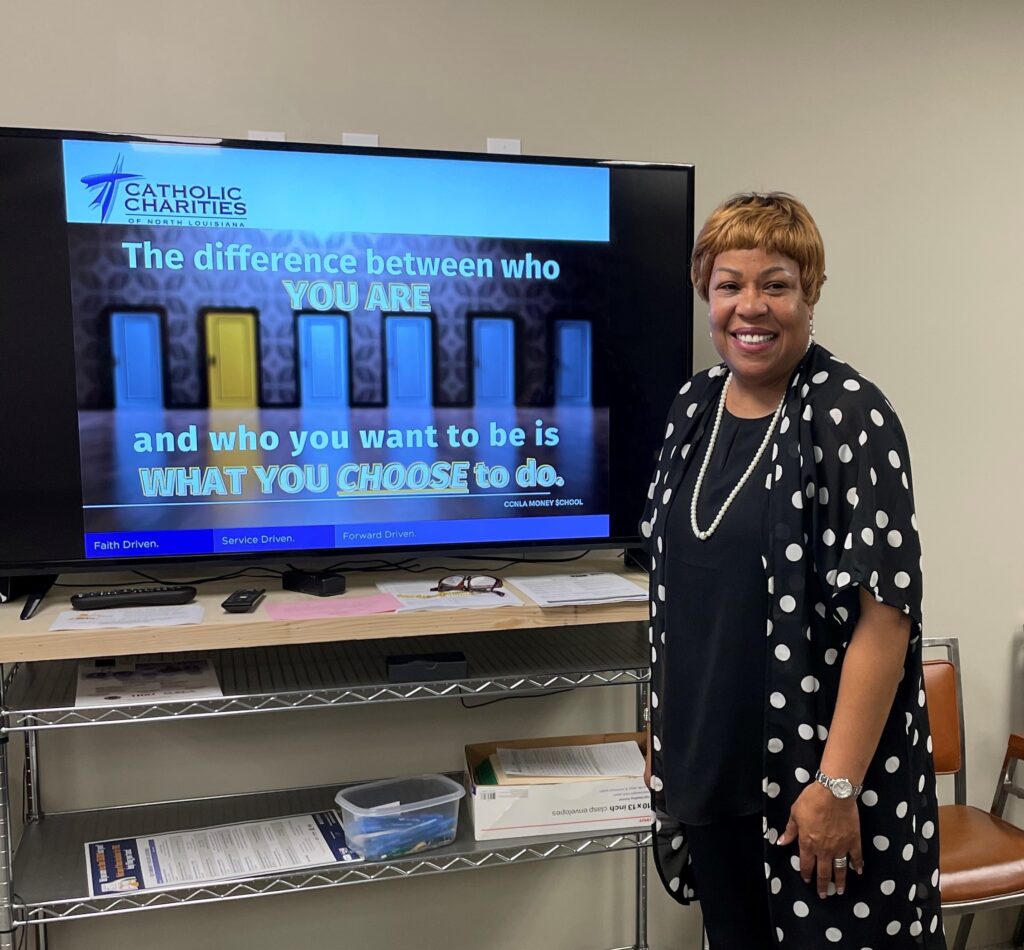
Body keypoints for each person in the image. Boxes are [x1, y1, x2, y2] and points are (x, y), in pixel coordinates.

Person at [639, 192, 943, 948]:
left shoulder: (849, 414)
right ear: (705, 294)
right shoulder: (694, 407)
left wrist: (836, 787)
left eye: (776, 284)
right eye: (729, 284)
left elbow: (887, 615)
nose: (752, 307)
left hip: (812, 783)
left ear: (810, 294)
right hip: (710, 771)